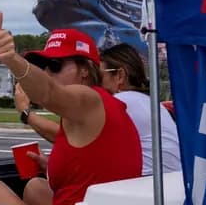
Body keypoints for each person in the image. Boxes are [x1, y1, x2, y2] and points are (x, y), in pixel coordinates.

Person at [0, 18, 142, 205]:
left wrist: (11, 58)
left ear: (85, 70)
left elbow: (47, 91)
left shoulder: (88, 100)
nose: (46, 72)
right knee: (35, 187)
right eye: (43, 65)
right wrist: (50, 166)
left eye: (55, 65)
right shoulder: (98, 107)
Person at [16, 42, 181, 176]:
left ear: (119, 76)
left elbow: (60, 133)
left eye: (100, 75)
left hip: (144, 193)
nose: (96, 81)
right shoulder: (147, 103)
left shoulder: (122, 102)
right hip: (159, 188)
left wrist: (26, 113)